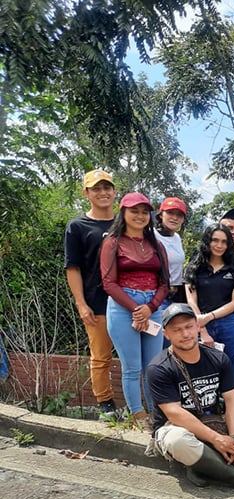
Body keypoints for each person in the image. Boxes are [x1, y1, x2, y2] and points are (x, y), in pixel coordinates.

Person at [146, 303, 234, 495]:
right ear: (166, 334)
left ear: (198, 326)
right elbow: (175, 413)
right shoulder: (159, 368)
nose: (185, 334)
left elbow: (232, 399)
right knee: (177, 440)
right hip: (175, 426)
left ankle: (202, 464)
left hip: (213, 422)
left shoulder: (218, 358)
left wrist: (233, 439)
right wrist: (216, 439)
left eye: (188, 326)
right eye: (177, 330)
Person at [100, 193, 169, 433]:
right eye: (134, 211)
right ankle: (138, 414)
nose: (140, 216)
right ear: (123, 213)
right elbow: (108, 283)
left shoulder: (156, 244)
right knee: (131, 367)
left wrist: (150, 308)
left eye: (144, 211)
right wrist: (135, 309)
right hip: (122, 308)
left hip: (153, 307)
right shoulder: (112, 242)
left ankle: (155, 413)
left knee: (153, 366)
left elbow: (165, 283)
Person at [64, 169, 118, 420]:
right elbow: (72, 267)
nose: (103, 192)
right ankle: (105, 404)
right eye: (96, 188)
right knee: (101, 357)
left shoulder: (125, 223)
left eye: (107, 187)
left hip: (128, 302)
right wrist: (81, 304)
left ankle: (140, 404)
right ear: (86, 193)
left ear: (115, 191)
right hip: (96, 303)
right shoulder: (77, 226)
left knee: (135, 357)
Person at [184, 224, 234, 388]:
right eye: (215, 240)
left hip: (230, 323)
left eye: (224, 242)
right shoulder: (195, 267)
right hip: (200, 323)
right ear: (207, 241)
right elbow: (191, 300)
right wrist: (202, 327)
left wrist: (210, 316)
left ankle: (233, 408)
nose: (219, 245)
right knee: (201, 373)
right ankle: (208, 410)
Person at [155, 196, 188, 310]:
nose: (174, 218)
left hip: (176, 296)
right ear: (161, 214)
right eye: (170, 213)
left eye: (179, 215)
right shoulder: (152, 236)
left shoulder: (177, 238)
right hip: (157, 296)